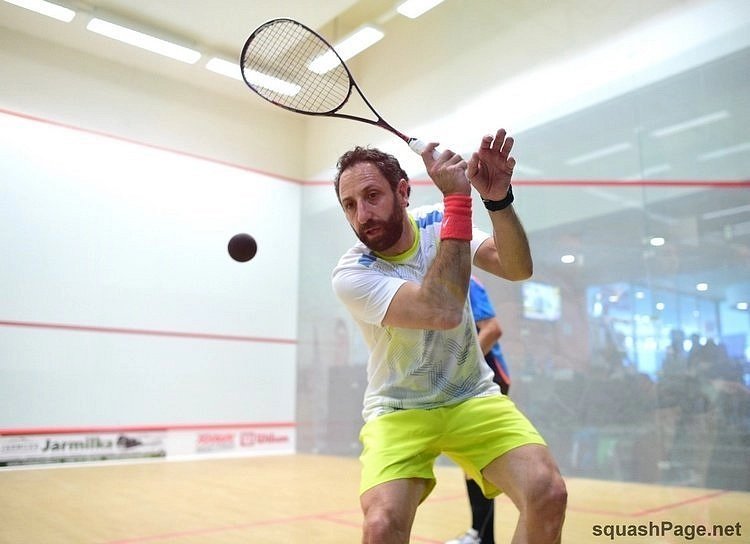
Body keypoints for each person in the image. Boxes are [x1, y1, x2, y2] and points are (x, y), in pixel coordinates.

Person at [332, 129, 567, 544]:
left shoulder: (436, 222)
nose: (362, 214)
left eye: (372, 196)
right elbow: (440, 311)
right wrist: (458, 198)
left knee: (547, 493)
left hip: (471, 397)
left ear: (403, 192)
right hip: (399, 409)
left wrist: (498, 201)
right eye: (349, 205)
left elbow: (517, 268)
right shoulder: (352, 274)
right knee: (381, 526)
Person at [445, 275, 511, 544]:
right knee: (472, 463)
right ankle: (480, 535)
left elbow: (492, 329)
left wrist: (458, 366)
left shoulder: (466, 280)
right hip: (470, 381)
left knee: (481, 462)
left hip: (488, 378)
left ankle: (482, 537)